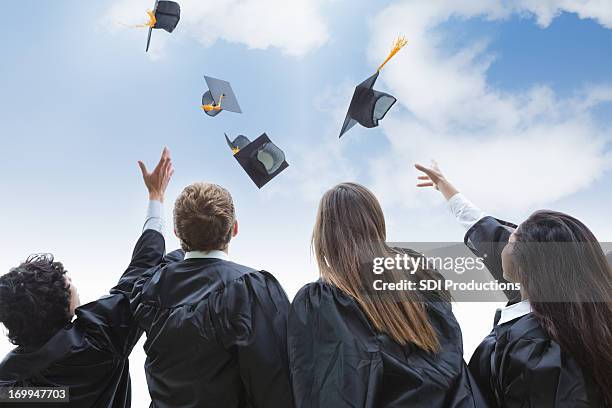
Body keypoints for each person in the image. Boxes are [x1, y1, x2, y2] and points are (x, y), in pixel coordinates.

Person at [415, 162, 612, 408]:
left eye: (512, 239)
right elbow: (490, 235)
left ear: (528, 264)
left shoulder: (538, 353)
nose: (505, 239)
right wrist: (446, 189)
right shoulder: (564, 308)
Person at [0, 147, 176, 407]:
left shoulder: (9, 385)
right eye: (64, 280)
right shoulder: (97, 342)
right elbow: (143, 268)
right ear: (59, 305)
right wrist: (156, 196)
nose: (70, 281)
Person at [288, 182, 482, 408]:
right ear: (377, 224)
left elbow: (326, 394)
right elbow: (454, 365)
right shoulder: (421, 275)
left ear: (325, 234)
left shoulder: (321, 302)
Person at [130, 181, 293, 407]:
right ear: (234, 228)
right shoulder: (250, 289)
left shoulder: (150, 288)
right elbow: (275, 381)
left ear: (177, 232)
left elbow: (147, 262)